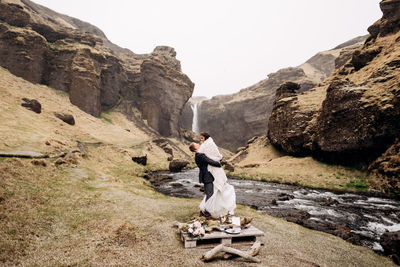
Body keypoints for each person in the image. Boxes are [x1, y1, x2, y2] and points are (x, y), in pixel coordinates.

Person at [197, 132, 236, 218]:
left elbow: (214, 156)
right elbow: (208, 159)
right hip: (210, 173)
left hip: (213, 172)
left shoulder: (209, 145)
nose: (201, 140)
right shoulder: (201, 151)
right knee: (212, 192)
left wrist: (217, 164)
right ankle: (207, 211)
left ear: (206, 138)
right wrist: (217, 164)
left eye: (202, 138)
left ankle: (208, 211)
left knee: (214, 191)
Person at [189, 142, 221, 218]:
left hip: (205, 176)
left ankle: (204, 210)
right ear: (195, 148)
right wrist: (219, 164)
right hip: (207, 177)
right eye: (197, 144)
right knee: (210, 194)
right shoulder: (200, 155)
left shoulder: (198, 155)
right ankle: (206, 213)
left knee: (209, 194)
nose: (199, 144)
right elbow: (209, 161)